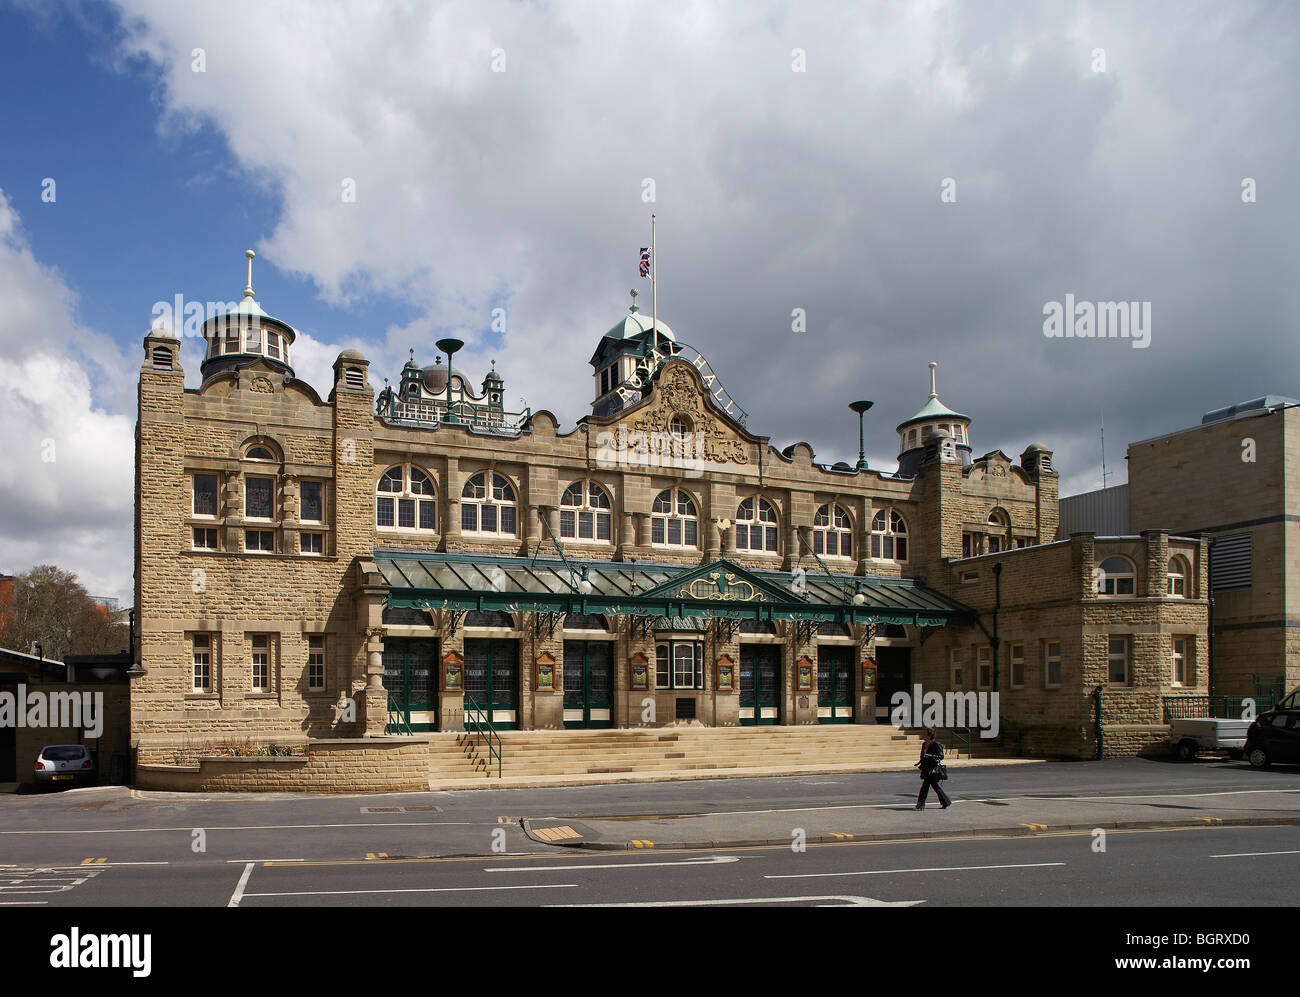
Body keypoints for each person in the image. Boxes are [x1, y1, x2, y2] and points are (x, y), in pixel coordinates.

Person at [915, 726, 951, 810]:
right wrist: (921, 762)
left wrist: (930, 756)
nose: (923, 735)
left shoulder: (936, 744)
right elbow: (922, 755)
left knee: (925, 787)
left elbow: (941, 756)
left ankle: (921, 805)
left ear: (929, 735)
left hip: (933, 769)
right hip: (926, 769)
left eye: (924, 734)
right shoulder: (924, 744)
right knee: (935, 787)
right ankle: (945, 802)